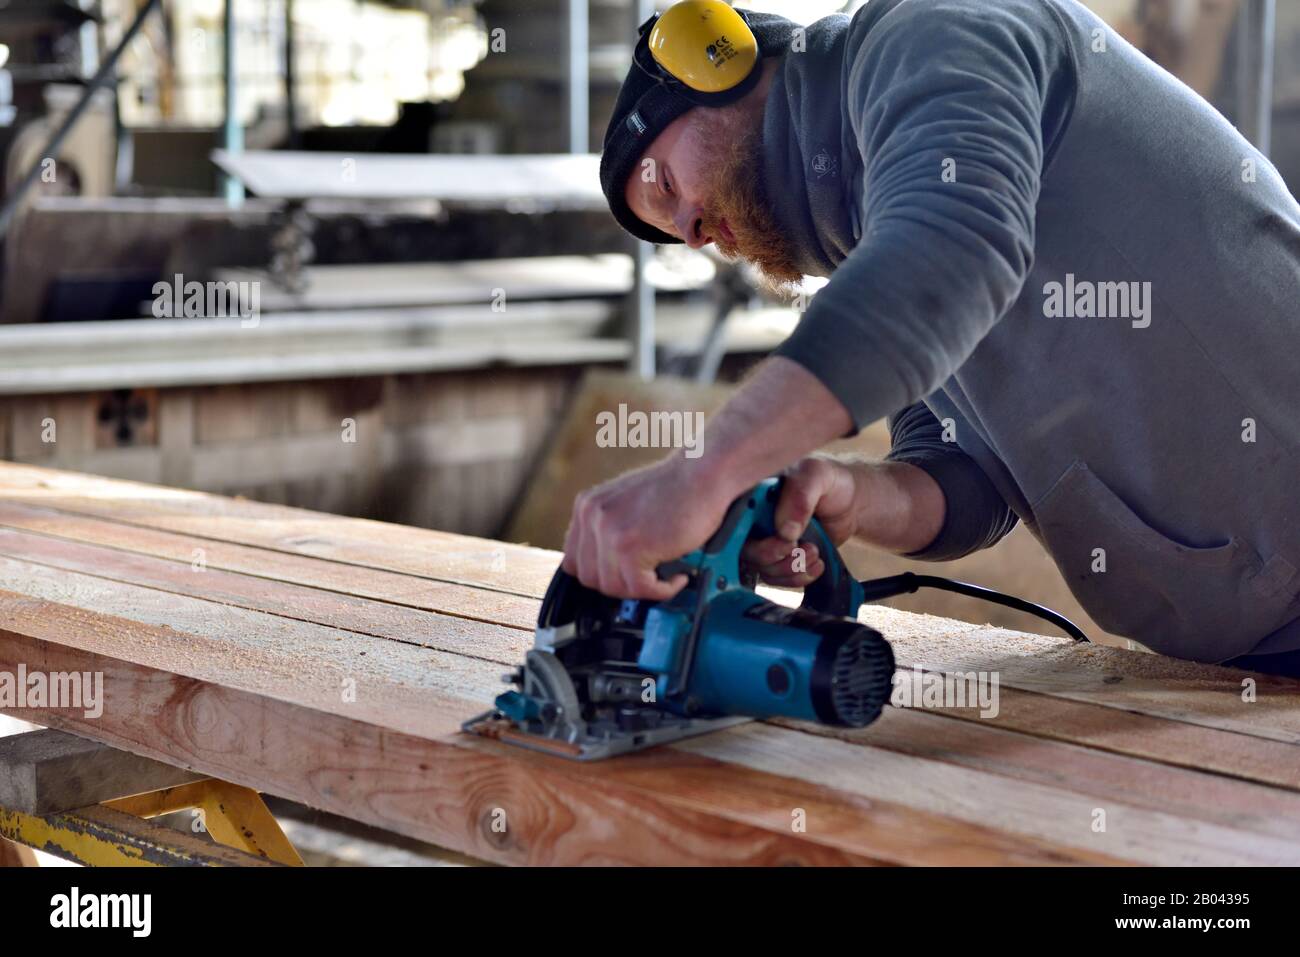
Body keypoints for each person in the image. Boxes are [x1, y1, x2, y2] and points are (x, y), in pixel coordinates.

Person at [565, 0, 1300, 672]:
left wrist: (702, 472)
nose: (691, 229)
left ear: (716, 59)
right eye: (672, 232)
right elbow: (969, 479)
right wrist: (854, 493)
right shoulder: (870, 242)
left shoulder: (933, 28)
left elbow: (951, 248)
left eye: (665, 185)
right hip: (1250, 659)